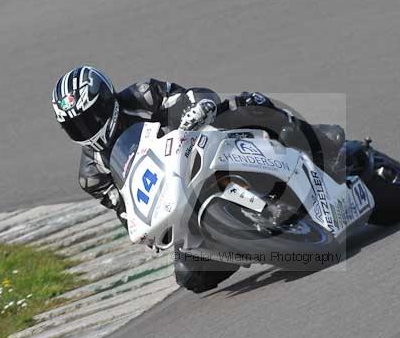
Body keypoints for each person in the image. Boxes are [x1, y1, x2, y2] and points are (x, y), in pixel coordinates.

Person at [50, 65, 346, 226]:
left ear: (106, 101)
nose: (87, 128)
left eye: (90, 117)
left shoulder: (143, 95)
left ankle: (322, 147)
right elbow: (125, 212)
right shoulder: (92, 175)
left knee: (247, 104)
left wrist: (198, 107)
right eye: (77, 125)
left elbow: (191, 96)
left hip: (199, 147)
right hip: (172, 197)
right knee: (191, 278)